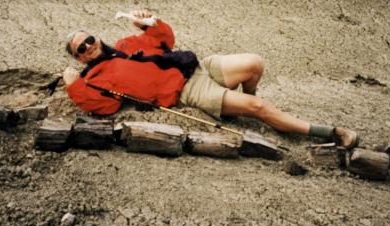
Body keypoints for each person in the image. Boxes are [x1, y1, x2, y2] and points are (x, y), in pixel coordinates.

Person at [62, 10, 359, 149]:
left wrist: (150, 22)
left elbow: (166, 40)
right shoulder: (95, 78)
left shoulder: (126, 44)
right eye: (82, 49)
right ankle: (331, 132)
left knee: (255, 63)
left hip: (199, 66)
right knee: (259, 107)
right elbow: (102, 107)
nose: (89, 46)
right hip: (189, 90)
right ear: (80, 58)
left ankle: (247, 106)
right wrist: (73, 84)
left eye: (89, 39)